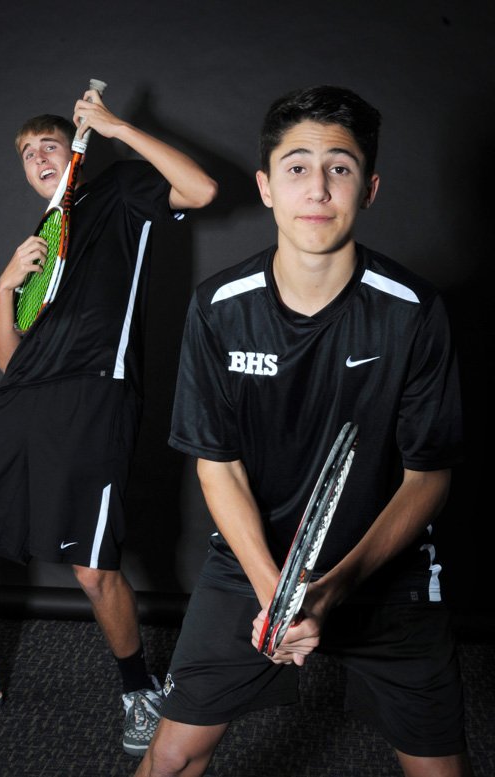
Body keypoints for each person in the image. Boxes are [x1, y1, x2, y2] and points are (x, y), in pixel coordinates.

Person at [135, 86, 474, 777]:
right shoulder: (219, 309)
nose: (316, 188)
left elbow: (427, 478)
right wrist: (278, 593)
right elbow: (217, 466)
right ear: (265, 187)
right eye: (296, 167)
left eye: (340, 168)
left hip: (387, 576)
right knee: (168, 760)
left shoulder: (412, 313)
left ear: (369, 187)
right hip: (250, 566)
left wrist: (329, 590)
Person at [0, 84, 217, 757]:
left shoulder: (124, 191)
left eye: (49, 143)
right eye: (26, 152)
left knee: (93, 568)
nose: (39, 155)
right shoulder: (41, 236)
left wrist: (115, 126)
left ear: (75, 150)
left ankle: (138, 690)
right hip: (22, 400)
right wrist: (4, 286)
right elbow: (12, 359)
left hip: (95, 396)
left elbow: (203, 190)